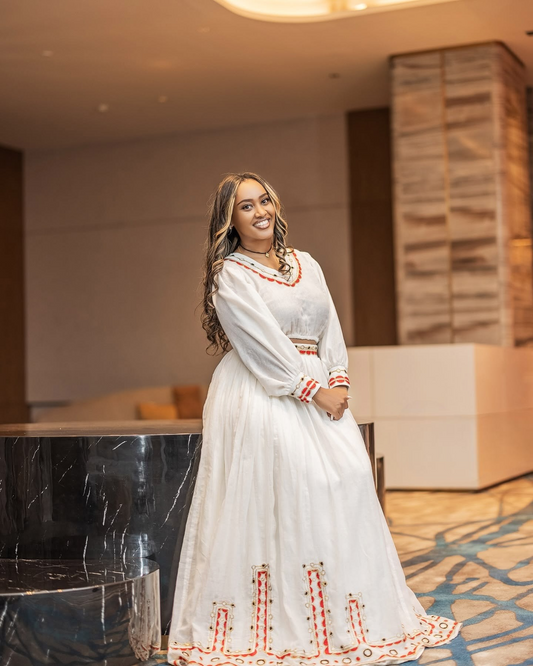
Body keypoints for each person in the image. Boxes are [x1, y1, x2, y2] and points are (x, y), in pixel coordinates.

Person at [167, 172, 461, 666]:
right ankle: (286, 625)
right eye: (246, 206)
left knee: (344, 487)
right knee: (283, 501)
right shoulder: (230, 274)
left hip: (323, 388)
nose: (260, 211)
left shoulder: (306, 263)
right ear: (229, 220)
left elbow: (331, 327)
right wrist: (310, 388)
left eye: (265, 200)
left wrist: (340, 379)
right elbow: (259, 343)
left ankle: (351, 617)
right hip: (266, 393)